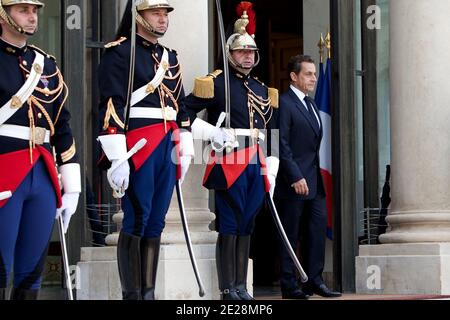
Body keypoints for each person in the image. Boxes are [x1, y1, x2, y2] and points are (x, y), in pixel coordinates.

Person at [97, 0, 194, 300]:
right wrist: (117, 153)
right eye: (156, 13)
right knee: (137, 216)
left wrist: (185, 137)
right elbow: (112, 103)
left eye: (165, 14)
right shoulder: (119, 52)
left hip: (167, 142)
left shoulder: (170, 57)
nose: (163, 19)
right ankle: (132, 294)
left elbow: (180, 103)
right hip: (139, 142)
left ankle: (148, 292)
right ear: (138, 16)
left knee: (157, 221)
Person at [185, 2, 279, 300]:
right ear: (230, 54)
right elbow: (182, 113)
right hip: (228, 160)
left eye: (251, 52)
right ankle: (227, 288)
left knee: (247, 225)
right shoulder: (215, 83)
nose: (247, 56)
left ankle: (241, 285)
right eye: (241, 51)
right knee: (229, 224)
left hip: (256, 161)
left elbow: (270, 130)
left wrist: (272, 167)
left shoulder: (264, 90)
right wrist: (209, 132)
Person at [0, 0, 81, 300]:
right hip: (4, 169)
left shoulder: (45, 64)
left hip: (43, 172)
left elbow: (63, 124)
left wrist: (70, 185)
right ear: (3, 13)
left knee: (32, 270)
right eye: (23, 10)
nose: (32, 17)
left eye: (34, 11)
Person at [275, 54, 341, 299]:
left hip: (315, 183)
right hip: (293, 183)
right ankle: (289, 285)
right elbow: (280, 144)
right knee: (290, 235)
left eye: (314, 73)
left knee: (315, 232)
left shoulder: (312, 104)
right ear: (294, 76)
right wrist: (295, 176)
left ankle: (314, 281)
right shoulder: (283, 103)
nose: (313, 77)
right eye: (308, 74)